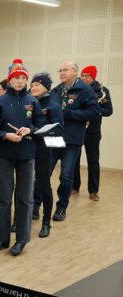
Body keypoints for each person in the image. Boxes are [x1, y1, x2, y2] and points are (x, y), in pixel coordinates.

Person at [0, 59, 44, 257]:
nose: (20, 81)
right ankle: (2, 238)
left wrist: (31, 129)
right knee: (2, 197)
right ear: (9, 80)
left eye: (23, 78)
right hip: (4, 154)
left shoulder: (33, 102)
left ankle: (21, 239)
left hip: (27, 155)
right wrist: (5, 135)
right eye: (16, 78)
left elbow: (41, 126)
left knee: (24, 198)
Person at [50, 60, 100, 221]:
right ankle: (36, 206)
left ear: (75, 72)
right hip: (54, 137)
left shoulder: (85, 90)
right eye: (60, 70)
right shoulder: (56, 90)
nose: (62, 73)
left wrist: (70, 114)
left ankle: (61, 208)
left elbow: (94, 112)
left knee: (66, 176)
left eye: (65, 70)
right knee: (43, 173)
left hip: (72, 140)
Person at [29, 72, 63, 238]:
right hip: (25, 150)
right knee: (24, 186)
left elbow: (59, 130)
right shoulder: (28, 102)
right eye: (32, 84)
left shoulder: (53, 105)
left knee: (43, 185)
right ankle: (24, 217)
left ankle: (46, 222)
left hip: (43, 150)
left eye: (37, 85)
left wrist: (37, 131)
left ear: (46, 88)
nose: (33, 87)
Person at [72, 65, 113, 201]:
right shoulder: (76, 89)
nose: (84, 78)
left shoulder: (102, 91)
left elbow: (109, 111)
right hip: (77, 129)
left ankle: (93, 191)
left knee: (93, 160)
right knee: (74, 159)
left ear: (93, 77)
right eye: (82, 75)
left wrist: (95, 109)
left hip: (93, 132)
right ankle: (74, 187)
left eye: (87, 76)